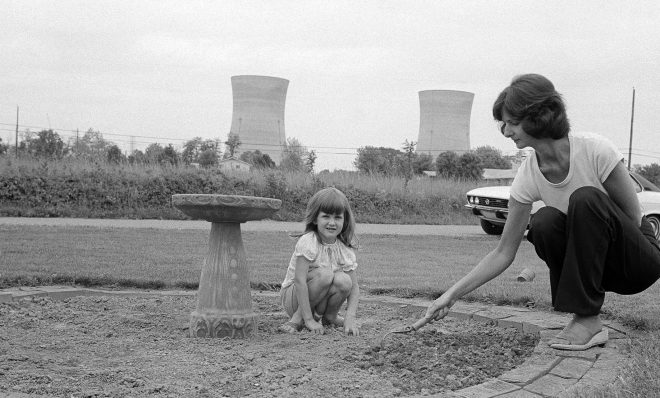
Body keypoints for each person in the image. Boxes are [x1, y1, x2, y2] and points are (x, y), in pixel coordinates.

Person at [425, 73, 660, 351]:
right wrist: (450, 296)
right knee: (543, 222)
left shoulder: (595, 150)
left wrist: (591, 248)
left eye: (512, 123)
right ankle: (587, 319)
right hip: (593, 267)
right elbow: (503, 252)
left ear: (540, 116)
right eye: (503, 124)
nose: (506, 131)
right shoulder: (528, 173)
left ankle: (587, 320)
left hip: (635, 263)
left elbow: (633, 219)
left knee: (585, 198)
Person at [278, 187, 361, 336]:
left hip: (319, 300)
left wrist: (350, 318)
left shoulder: (344, 249)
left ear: (345, 220)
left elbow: (354, 288)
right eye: (326, 216)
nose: (332, 222)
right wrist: (308, 319)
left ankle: (330, 317)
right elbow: (299, 281)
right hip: (294, 299)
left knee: (345, 280)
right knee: (326, 275)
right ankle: (297, 320)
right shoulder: (309, 241)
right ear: (315, 218)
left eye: (337, 217)